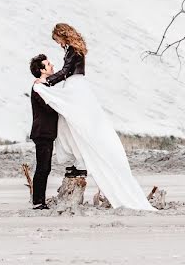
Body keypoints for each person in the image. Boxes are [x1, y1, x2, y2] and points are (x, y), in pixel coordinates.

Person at [32, 23, 154, 211]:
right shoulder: (72, 49)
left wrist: (47, 81)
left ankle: (79, 162)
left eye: (57, 40)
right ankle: (77, 161)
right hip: (73, 88)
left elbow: (65, 72)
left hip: (75, 88)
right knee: (68, 124)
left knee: (76, 124)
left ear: (61, 35)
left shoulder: (73, 50)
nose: (57, 43)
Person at [28, 54, 59, 210]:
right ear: (41, 69)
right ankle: (38, 202)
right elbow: (49, 107)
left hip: (47, 133)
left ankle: (40, 201)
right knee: (43, 168)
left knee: (45, 167)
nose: (51, 65)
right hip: (42, 133)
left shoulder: (45, 86)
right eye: (48, 64)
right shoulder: (38, 87)